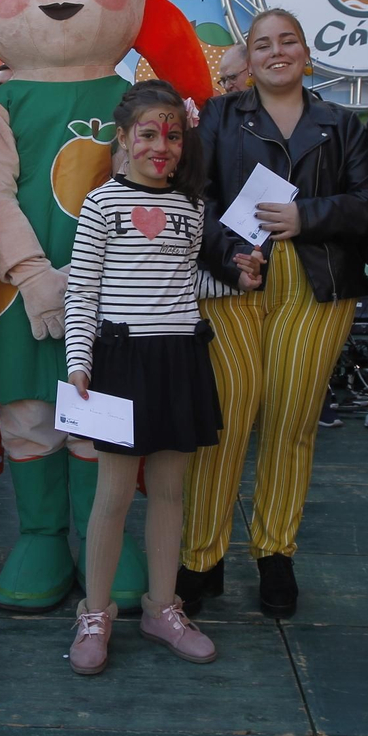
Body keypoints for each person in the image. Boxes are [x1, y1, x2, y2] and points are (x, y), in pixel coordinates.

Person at [176, 9, 368, 619]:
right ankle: (200, 559)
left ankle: (275, 555)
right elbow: (196, 198)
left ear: (306, 53)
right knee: (224, 424)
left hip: (316, 286)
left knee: (292, 424)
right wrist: (229, 253)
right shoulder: (217, 116)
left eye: (287, 40)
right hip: (235, 281)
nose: (275, 51)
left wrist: (307, 217)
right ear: (250, 58)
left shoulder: (341, 123)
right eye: (262, 43)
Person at [61, 80, 227, 674]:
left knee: (169, 491)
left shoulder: (190, 207)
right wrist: (79, 359)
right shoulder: (102, 204)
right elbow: (82, 289)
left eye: (173, 135)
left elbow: (185, 282)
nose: (162, 146)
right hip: (120, 361)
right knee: (110, 496)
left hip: (179, 357)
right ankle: (96, 612)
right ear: (125, 139)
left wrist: (238, 277)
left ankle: (163, 608)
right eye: (149, 134)